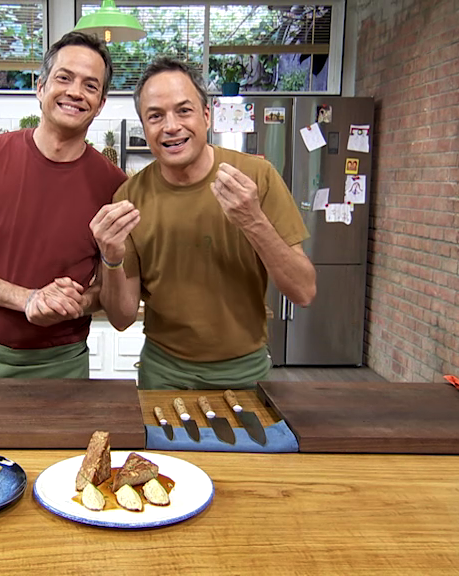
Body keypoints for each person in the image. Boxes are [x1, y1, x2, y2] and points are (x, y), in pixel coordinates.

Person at [90, 57, 317, 390]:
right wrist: (110, 258)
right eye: (155, 116)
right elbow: (122, 318)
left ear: (206, 116)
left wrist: (253, 221)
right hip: (163, 374)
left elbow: (303, 291)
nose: (171, 126)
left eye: (184, 111)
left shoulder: (256, 178)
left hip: (245, 372)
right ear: (144, 126)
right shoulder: (129, 197)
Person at [0, 31, 127, 379]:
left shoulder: (114, 185)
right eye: (64, 78)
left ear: (100, 104)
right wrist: (27, 298)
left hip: (64, 365)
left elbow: (105, 288)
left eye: (90, 85)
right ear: (40, 87)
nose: (75, 92)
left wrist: (77, 302)